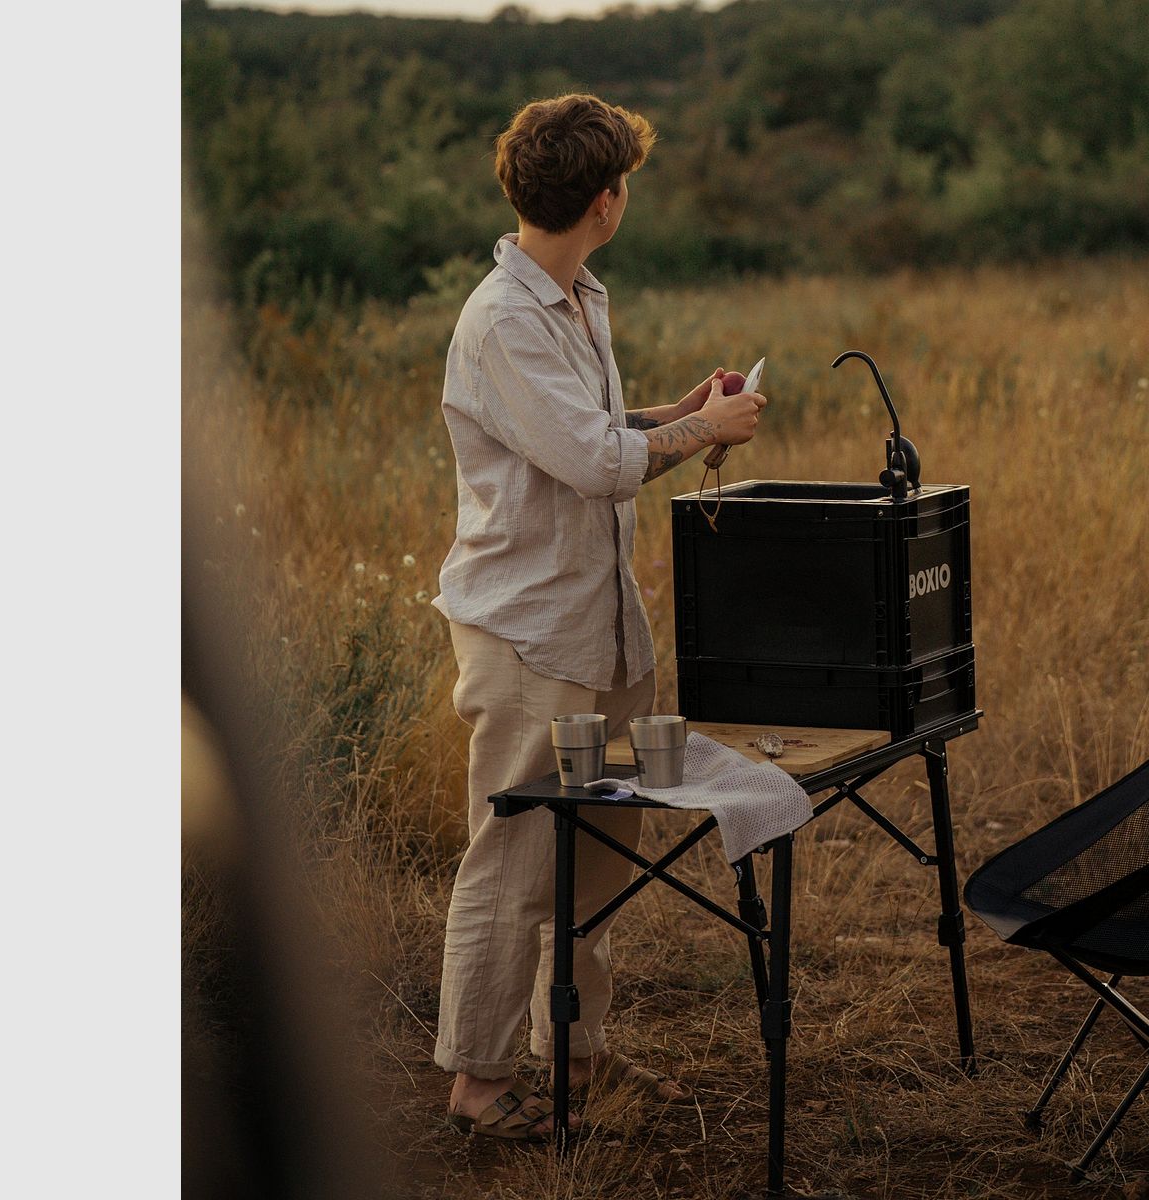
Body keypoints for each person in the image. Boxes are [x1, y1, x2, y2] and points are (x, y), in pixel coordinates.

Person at [429, 93, 767, 1140]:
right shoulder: (502, 316)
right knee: (514, 860)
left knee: (595, 860)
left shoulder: (574, 297)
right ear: (605, 199)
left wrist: (675, 416)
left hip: (597, 625)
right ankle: (479, 1090)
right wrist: (698, 433)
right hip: (530, 633)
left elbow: (591, 434)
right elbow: (590, 464)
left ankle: (574, 1058)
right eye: (626, 183)